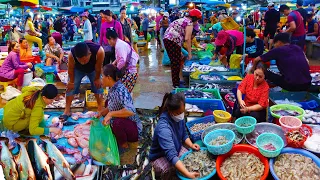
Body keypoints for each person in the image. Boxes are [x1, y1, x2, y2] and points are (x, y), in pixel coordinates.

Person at [149, 93, 200, 179]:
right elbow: (171, 155)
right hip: (160, 156)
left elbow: (184, 134)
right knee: (170, 170)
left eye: (182, 112)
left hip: (176, 149)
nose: (181, 115)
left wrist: (191, 145)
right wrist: (187, 174)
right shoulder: (163, 128)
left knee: (192, 159)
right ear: (170, 111)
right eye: (178, 113)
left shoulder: (179, 117)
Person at [98, 64, 142, 153]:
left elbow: (131, 111)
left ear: (108, 78)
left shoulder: (120, 90)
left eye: (102, 76)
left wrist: (110, 114)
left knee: (117, 123)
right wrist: (101, 113)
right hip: (125, 124)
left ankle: (123, 145)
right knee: (107, 103)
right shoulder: (112, 88)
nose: (101, 79)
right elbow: (110, 106)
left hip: (133, 130)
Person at [60, 42, 104, 121]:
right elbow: (70, 69)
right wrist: (71, 82)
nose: (83, 62)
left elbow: (99, 67)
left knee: (98, 86)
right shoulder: (71, 54)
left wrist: (97, 78)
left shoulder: (99, 51)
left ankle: (100, 108)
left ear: (89, 54)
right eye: (80, 61)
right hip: (78, 70)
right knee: (70, 88)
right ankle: (67, 110)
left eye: (85, 60)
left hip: (93, 69)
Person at [163, 9, 202, 88]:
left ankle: (177, 81)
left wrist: (180, 50)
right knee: (175, 63)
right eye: (197, 20)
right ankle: (176, 84)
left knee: (177, 60)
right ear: (194, 18)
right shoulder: (189, 23)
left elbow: (179, 36)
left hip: (169, 39)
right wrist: (190, 54)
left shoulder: (183, 19)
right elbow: (187, 39)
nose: (196, 22)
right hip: (172, 40)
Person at [106, 28, 139, 93]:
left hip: (130, 73)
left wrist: (116, 71)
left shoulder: (119, 46)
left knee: (123, 93)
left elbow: (122, 61)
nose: (108, 42)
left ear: (111, 38)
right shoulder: (119, 43)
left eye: (108, 40)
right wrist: (113, 64)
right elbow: (120, 57)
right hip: (130, 71)